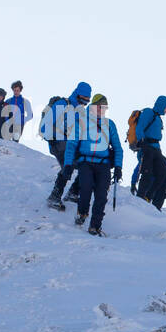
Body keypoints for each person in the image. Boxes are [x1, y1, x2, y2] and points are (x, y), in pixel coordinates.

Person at [62, 93, 124, 236]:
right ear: (93, 106)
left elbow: (118, 147)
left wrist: (119, 166)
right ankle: (82, 213)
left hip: (104, 165)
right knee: (85, 190)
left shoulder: (110, 124)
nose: (103, 110)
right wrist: (67, 165)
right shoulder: (82, 122)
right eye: (100, 107)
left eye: (105, 108)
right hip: (85, 162)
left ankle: (95, 226)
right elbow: (71, 145)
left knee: (101, 196)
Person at [44, 82, 91, 211]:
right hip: (58, 143)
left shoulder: (81, 111)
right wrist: (52, 138)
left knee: (86, 165)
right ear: (77, 94)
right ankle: (54, 196)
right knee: (67, 166)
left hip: (72, 144)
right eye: (83, 100)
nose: (84, 103)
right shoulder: (62, 105)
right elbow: (45, 126)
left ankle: (73, 193)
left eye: (87, 101)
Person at [134, 95, 166, 207]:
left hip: (156, 148)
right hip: (147, 146)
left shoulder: (158, 119)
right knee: (147, 172)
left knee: (162, 172)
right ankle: (140, 196)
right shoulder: (148, 113)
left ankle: (148, 197)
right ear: (161, 105)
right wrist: (141, 141)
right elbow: (140, 127)